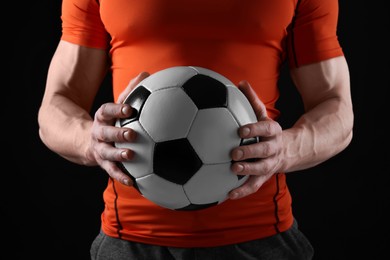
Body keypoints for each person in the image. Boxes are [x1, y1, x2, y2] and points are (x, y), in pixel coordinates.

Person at [37, 0, 353, 259]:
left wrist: (285, 149)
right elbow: (55, 106)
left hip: (260, 237)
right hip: (130, 239)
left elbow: (336, 107)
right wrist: (91, 142)